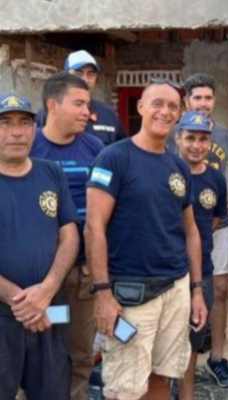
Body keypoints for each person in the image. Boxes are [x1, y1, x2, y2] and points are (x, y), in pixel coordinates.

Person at [85, 80, 208, 400]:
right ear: (140, 107)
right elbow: (94, 228)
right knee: (126, 387)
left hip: (176, 288)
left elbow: (191, 231)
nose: (165, 111)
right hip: (131, 293)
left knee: (163, 376)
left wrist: (196, 289)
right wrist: (101, 293)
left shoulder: (178, 165)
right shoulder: (113, 158)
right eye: (157, 103)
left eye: (172, 106)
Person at [29, 72, 104, 400]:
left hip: (82, 277)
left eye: (87, 104)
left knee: (80, 351)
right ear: (52, 105)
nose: (86, 111)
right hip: (39, 275)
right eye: (78, 103)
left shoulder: (96, 148)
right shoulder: (28, 147)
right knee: (36, 349)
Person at [169, 73, 228, 387]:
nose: (203, 103)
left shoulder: (226, 136)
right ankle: (175, 363)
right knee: (177, 293)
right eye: (197, 97)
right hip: (177, 231)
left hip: (216, 226)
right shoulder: (173, 134)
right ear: (187, 100)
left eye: (208, 98)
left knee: (218, 291)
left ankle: (216, 357)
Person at [0, 92, 79, 400]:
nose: (17, 132)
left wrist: (46, 291)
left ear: (34, 129)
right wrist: (20, 301)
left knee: (53, 392)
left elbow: (70, 234)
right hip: (4, 317)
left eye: (24, 123)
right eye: (5, 123)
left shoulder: (51, 173)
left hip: (52, 310)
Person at [174, 111, 228, 400]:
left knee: (194, 338)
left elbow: (215, 221)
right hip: (167, 270)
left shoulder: (216, 179)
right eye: (190, 138)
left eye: (203, 139)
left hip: (202, 270)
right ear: (178, 139)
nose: (196, 145)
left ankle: (186, 394)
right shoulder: (166, 170)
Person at [36, 50, 127, 145]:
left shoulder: (108, 114)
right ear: (66, 75)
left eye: (90, 74)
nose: (85, 79)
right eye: (78, 74)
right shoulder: (49, 112)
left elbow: (120, 151)